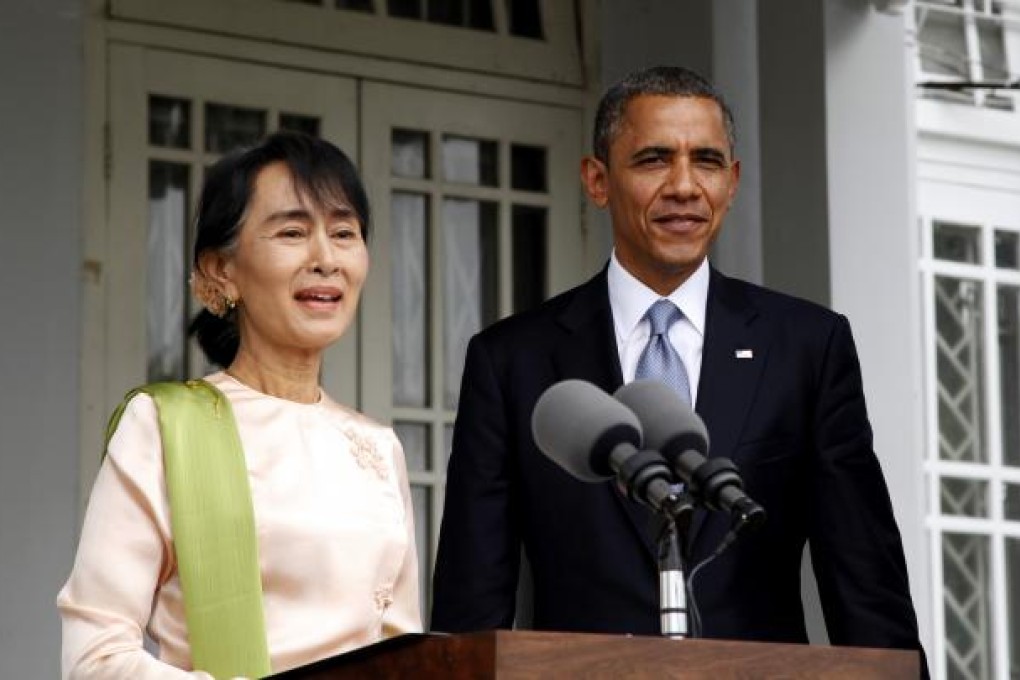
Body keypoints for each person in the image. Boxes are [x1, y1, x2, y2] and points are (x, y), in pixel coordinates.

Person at [431, 66, 926, 668]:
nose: (685, 186)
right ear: (597, 180)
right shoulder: (513, 361)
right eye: (654, 160)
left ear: (732, 182)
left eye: (707, 162)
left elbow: (864, 580)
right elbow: (471, 602)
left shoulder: (806, 347)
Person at [58, 131, 421, 678]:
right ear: (220, 270)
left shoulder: (378, 448)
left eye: (344, 233)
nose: (326, 259)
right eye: (293, 232)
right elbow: (95, 656)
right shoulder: (166, 426)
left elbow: (407, 657)